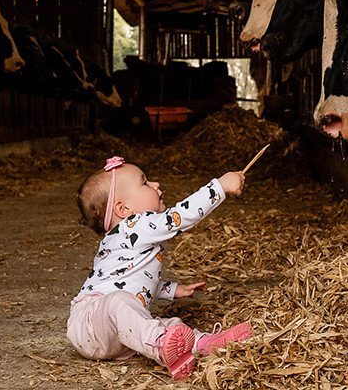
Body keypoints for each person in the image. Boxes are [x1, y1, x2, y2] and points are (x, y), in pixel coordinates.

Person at [67, 156, 253, 379]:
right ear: (123, 208)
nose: (156, 184)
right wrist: (220, 186)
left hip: (118, 335)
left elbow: (130, 279)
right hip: (89, 321)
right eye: (145, 182)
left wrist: (172, 289)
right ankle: (161, 346)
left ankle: (203, 343)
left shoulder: (119, 239)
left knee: (171, 325)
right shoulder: (135, 225)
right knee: (119, 303)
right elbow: (180, 217)